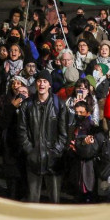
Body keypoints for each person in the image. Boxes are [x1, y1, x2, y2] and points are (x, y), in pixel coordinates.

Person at [18, 71, 65, 203]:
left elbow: (64, 133)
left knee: (54, 200)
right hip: (33, 158)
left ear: (50, 84)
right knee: (33, 199)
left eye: (45, 81)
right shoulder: (27, 105)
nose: (42, 84)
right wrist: (30, 150)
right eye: (39, 81)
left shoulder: (59, 104)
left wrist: (55, 152)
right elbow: (22, 130)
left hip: (54, 159)